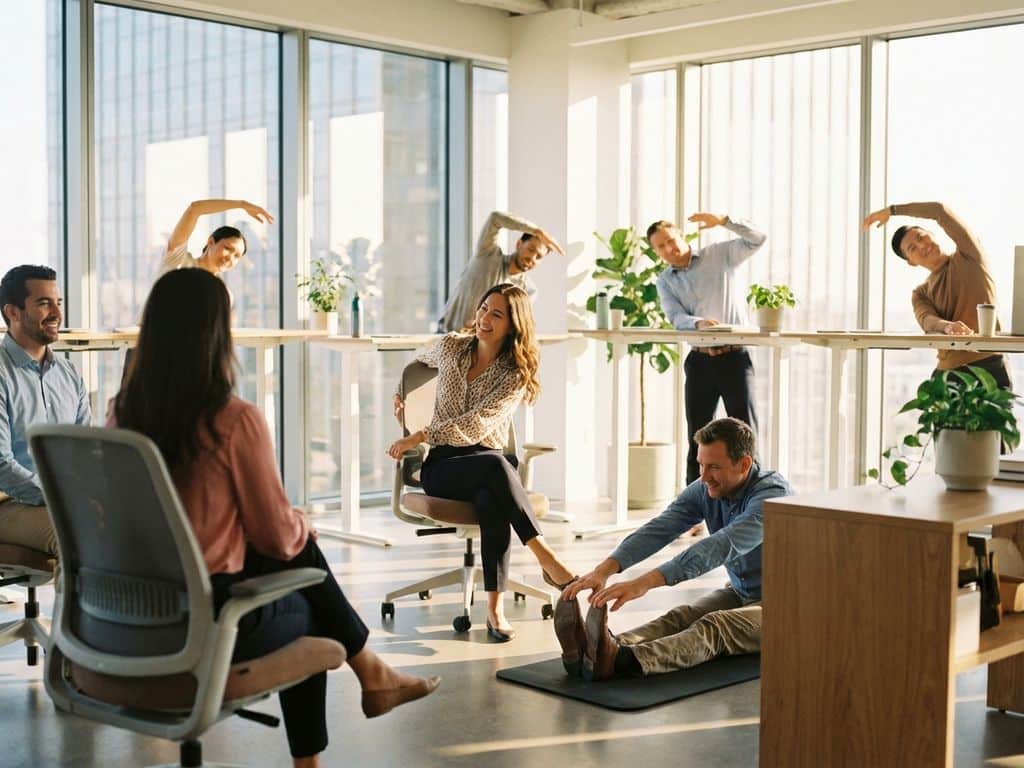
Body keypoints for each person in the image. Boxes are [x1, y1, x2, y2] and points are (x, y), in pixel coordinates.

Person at [113, 269, 438, 768]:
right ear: (217, 334)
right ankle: (352, 701)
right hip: (205, 623)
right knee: (309, 602)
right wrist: (298, 523)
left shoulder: (121, 412)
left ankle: (374, 676)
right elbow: (278, 539)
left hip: (127, 615)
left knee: (293, 549)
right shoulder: (232, 418)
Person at [389, 283, 575, 642]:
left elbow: (475, 426)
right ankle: (545, 556)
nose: (484, 318)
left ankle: (494, 609)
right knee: (497, 469)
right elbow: (417, 360)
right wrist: (400, 393)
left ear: (513, 325)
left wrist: (420, 434)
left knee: (492, 494)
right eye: (483, 308)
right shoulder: (451, 347)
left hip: (487, 460)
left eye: (497, 314)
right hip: (445, 466)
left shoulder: (514, 374)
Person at [556, 418, 792, 681]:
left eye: (714, 467)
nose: (704, 477)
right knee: (682, 616)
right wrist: (603, 571)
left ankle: (622, 660)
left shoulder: (772, 496)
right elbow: (659, 529)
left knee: (715, 627)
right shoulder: (705, 488)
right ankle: (601, 648)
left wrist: (643, 584)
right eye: (701, 465)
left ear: (745, 464)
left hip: (788, 607)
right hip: (742, 592)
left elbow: (720, 546)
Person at [649, 214, 768, 485]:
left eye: (670, 240)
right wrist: (698, 323)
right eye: (660, 246)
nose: (668, 248)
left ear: (681, 235)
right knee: (697, 435)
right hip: (700, 361)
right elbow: (676, 316)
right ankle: (695, 503)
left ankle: (752, 498)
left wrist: (725, 221)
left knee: (746, 432)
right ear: (656, 252)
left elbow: (758, 238)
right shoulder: (665, 281)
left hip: (734, 358)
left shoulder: (718, 255)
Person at [863, 202, 1011, 388]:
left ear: (932, 234)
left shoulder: (970, 256)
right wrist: (948, 327)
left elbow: (939, 211)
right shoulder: (920, 293)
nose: (922, 245)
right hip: (948, 373)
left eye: (921, 237)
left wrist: (892, 211)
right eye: (912, 248)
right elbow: (927, 321)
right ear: (911, 262)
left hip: (989, 366)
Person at [0, 265, 90, 556]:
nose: (57, 313)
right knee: (81, 539)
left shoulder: (69, 373)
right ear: (13, 312)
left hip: (65, 501)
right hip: (8, 502)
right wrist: (61, 498)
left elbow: (86, 451)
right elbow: (1, 465)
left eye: (58, 302)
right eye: (43, 303)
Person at [439, 211, 565, 332]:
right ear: (519, 244)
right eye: (531, 249)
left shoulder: (528, 290)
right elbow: (495, 218)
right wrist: (537, 231)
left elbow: (516, 324)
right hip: (445, 335)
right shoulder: (488, 255)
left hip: (481, 344)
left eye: (539, 257)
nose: (532, 258)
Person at [162, 198, 274, 278]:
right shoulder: (179, 261)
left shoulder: (223, 293)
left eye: (236, 256)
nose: (230, 258)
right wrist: (242, 204)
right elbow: (194, 209)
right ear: (211, 241)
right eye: (228, 248)